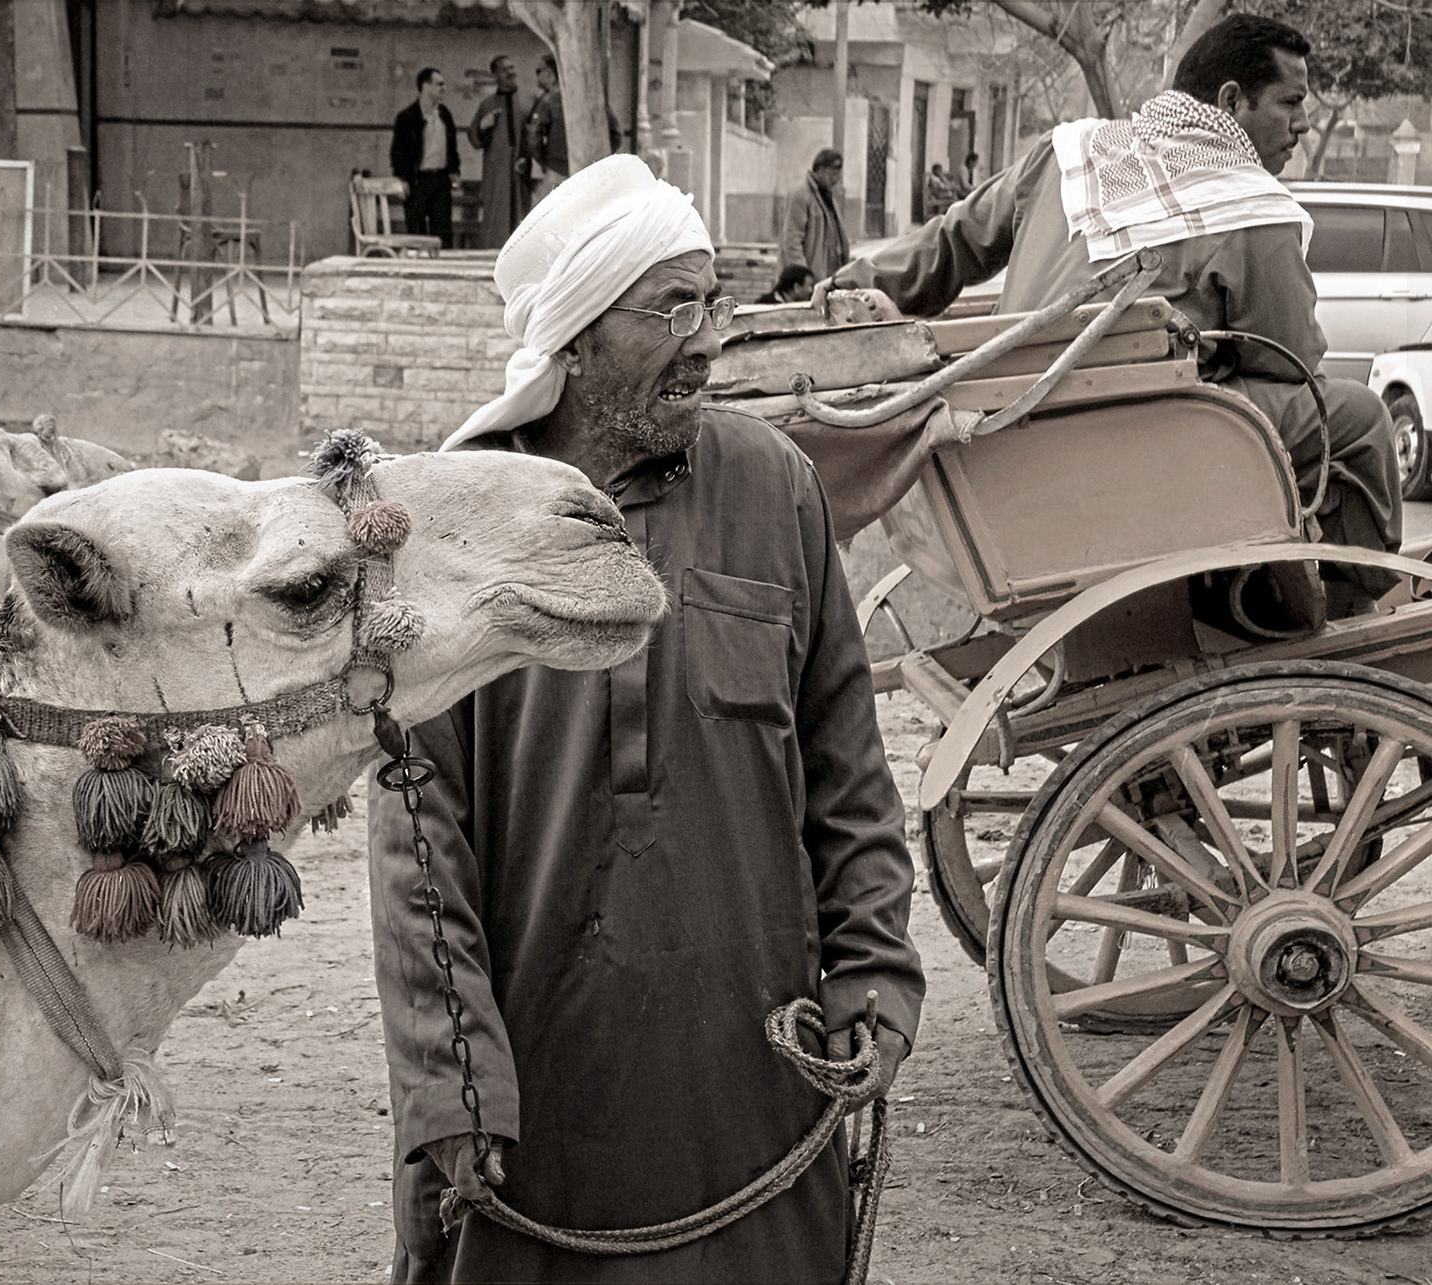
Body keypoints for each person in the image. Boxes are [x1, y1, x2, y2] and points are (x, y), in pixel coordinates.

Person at [368, 154, 926, 1284]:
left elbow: (847, 764)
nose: (710, 336)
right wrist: (455, 1081)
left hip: (757, 1074)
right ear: (573, 340)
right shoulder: (449, 513)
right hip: (533, 1090)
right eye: (672, 306)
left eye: (713, 301)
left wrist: (872, 971)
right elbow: (414, 836)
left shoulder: (777, 489)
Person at [824, 12, 1399, 612]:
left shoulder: (1069, 153)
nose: (1303, 124)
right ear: (1232, 100)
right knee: (1357, 416)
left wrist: (859, 282)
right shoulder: (1251, 208)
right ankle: (1343, 597)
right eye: (1291, 102)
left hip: (1000, 438)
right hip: (1135, 441)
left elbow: (956, 240)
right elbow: (1290, 365)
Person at [519, 54, 622, 208]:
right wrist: (599, 159)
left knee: (545, 219)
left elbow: (534, 137)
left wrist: (545, 161)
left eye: (539, 70)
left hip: (557, 171)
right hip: (591, 173)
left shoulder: (550, 101)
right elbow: (616, 134)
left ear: (550, 73)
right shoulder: (594, 97)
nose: (537, 75)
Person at [764, 148, 851, 303]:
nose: (836, 179)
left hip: (824, 281)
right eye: (833, 173)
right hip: (804, 285)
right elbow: (792, 240)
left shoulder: (828, 196)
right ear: (821, 170)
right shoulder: (801, 194)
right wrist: (804, 280)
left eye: (838, 173)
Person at [392, 67, 461, 243]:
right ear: (426, 86)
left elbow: (452, 146)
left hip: (440, 178)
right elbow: (398, 151)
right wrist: (402, 178)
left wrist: (454, 170)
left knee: (442, 229)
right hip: (417, 180)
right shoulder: (407, 117)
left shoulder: (444, 114)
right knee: (417, 230)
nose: (443, 88)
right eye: (439, 84)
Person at [470, 54, 529, 249]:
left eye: (512, 68)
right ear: (495, 74)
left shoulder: (526, 102)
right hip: (496, 170)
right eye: (505, 69)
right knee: (497, 214)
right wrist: (483, 126)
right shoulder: (487, 104)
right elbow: (474, 139)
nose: (511, 73)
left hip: (520, 172)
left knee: (522, 214)